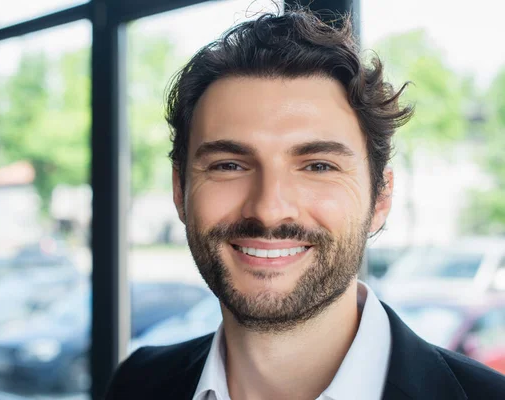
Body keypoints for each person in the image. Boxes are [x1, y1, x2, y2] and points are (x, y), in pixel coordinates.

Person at [105, 6, 505, 400]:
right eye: (229, 165)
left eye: (317, 166)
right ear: (180, 191)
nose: (269, 209)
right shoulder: (137, 383)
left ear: (380, 198)